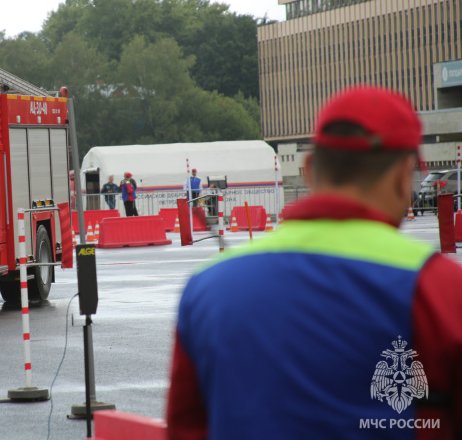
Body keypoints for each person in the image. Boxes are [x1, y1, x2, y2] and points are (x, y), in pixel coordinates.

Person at [167, 86, 462, 439]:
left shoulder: (208, 288)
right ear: (404, 174)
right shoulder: (440, 290)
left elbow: (186, 428)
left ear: (309, 169)